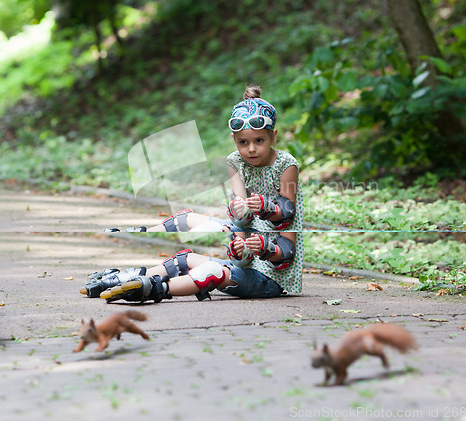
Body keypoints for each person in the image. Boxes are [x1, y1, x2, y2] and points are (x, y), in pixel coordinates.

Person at [81, 86, 304, 303]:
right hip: (249, 263)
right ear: (234, 139)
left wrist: (264, 228)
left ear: (273, 136)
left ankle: (152, 289)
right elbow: (241, 224)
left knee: (211, 270)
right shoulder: (235, 161)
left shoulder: (286, 165)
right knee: (184, 239)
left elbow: (286, 237)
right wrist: (240, 247)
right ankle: (127, 278)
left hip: (272, 279)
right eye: (242, 142)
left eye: (259, 141)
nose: (251, 149)